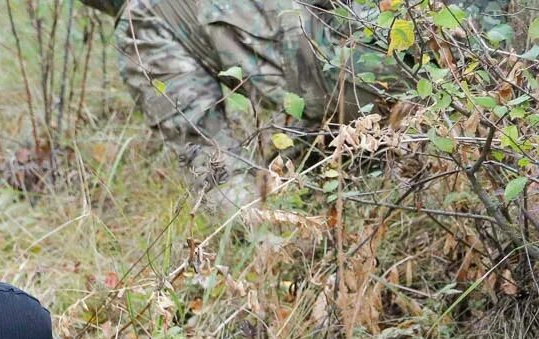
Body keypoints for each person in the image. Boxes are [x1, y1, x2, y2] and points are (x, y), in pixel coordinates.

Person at [100, 0, 511, 215]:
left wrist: (272, 246)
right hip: (480, 47)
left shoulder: (142, 26)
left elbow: (211, 159)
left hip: (380, 69)